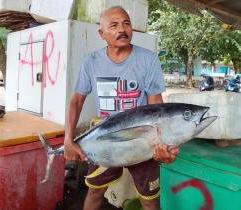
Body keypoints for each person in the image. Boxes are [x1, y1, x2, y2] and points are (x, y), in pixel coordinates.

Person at [64, 6, 179, 210]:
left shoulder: (147, 59)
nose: (122, 29)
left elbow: (157, 107)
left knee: (149, 200)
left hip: (143, 141)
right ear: (102, 33)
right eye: (114, 25)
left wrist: (163, 145)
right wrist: (68, 138)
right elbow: (76, 100)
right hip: (106, 141)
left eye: (126, 23)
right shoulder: (91, 62)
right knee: (94, 191)